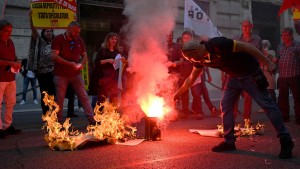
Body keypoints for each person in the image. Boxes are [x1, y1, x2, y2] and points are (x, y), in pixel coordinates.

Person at [174, 38, 294, 159]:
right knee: (225, 106)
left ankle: (286, 141)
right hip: (233, 77)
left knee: (267, 105)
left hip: (250, 74)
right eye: (192, 58)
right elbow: (191, 79)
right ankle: (229, 142)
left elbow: (248, 47)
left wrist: (268, 62)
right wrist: (178, 93)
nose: (195, 59)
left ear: (200, 46)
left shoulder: (218, 44)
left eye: (195, 55)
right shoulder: (198, 60)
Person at [51, 21, 95, 124]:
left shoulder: (79, 40)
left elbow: (85, 56)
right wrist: (70, 64)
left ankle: (92, 119)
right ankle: (59, 122)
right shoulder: (59, 39)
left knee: (83, 96)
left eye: (78, 32)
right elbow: (54, 56)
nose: (77, 34)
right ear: (68, 29)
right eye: (75, 32)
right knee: (60, 98)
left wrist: (81, 64)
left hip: (76, 74)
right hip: (61, 74)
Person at [233, 19, 262, 121]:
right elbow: (231, 55)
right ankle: (231, 119)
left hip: (249, 72)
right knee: (234, 96)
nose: (245, 28)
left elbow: (259, 56)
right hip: (236, 71)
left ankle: (247, 119)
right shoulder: (236, 39)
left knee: (248, 96)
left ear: (251, 27)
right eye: (243, 26)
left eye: (247, 26)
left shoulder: (257, 40)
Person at [29, 10, 56, 115]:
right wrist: (31, 18)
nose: (49, 32)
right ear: (43, 33)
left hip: (53, 73)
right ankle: (46, 115)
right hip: (42, 73)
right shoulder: (40, 41)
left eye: (50, 31)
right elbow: (33, 30)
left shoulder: (56, 42)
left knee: (53, 94)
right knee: (45, 94)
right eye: (47, 31)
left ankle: (53, 114)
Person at [90, 32, 126, 106]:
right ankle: (100, 113)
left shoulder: (117, 51)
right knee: (103, 96)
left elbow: (119, 64)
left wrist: (122, 60)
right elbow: (97, 62)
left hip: (114, 76)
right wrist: (108, 60)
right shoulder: (102, 50)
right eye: (112, 39)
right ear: (108, 40)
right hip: (104, 76)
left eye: (115, 39)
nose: (114, 41)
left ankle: (111, 113)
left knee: (114, 96)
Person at [0, 20, 22, 138]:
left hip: (10, 77)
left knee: (10, 102)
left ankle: (7, 125)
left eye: (10, 31)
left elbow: (14, 57)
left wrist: (17, 61)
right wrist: (9, 62)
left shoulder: (10, 42)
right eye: (6, 31)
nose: (9, 34)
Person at [277, 27, 300, 125]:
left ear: (291, 35)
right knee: (283, 98)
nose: (284, 37)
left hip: (295, 75)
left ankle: (299, 117)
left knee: (298, 98)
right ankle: (285, 116)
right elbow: (278, 58)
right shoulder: (280, 46)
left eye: (286, 35)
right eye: (282, 35)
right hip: (283, 76)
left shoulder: (297, 46)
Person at [179, 31, 204, 119]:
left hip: (194, 73)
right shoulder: (180, 48)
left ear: (191, 39)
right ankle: (185, 112)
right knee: (184, 94)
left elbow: (201, 59)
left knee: (196, 93)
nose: (186, 40)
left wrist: (200, 70)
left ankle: (199, 111)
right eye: (184, 38)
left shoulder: (196, 48)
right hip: (184, 73)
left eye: (188, 38)